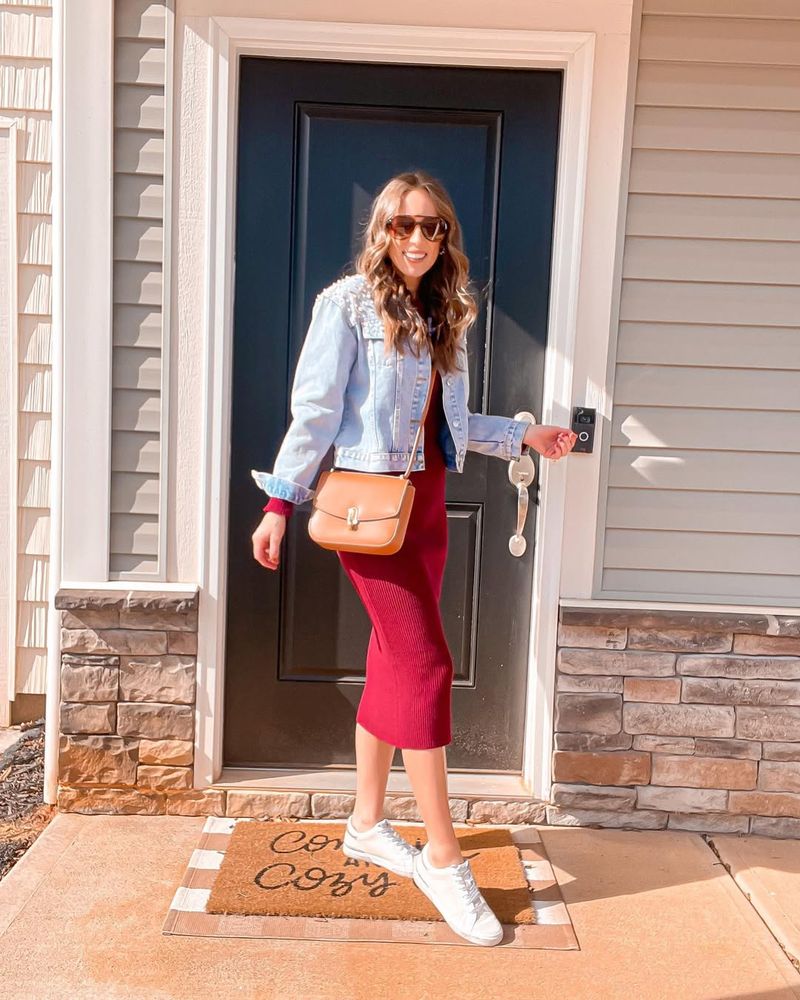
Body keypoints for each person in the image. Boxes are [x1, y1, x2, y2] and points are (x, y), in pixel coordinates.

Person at [251, 170, 577, 946]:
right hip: (370, 508)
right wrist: (278, 502)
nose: (420, 239)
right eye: (405, 225)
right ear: (382, 231)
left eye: (433, 227)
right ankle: (442, 852)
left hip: (424, 507)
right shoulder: (346, 305)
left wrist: (519, 437)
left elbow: (446, 424)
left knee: (394, 661)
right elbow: (317, 409)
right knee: (427, 665)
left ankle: (366, 820)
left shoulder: (441, 311)